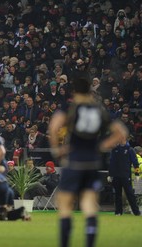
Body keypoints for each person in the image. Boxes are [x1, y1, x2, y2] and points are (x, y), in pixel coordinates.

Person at [49, 77, 128, 247]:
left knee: (64, 205)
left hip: (74, 162)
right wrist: (101, 147)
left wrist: (57, 149)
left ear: (74, 92)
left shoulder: (71, 107)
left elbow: (54, 127)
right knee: (89, 206)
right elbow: (121, 132)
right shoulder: (98, 109)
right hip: (92, 163)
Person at [108, 137, 140, 216]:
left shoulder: (130, 149)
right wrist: (110, 174)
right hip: (116, 176)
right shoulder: (114, 149)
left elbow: (135, 162)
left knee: (130, 194)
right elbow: (111, 162)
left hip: (126, 176)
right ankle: (118, 212)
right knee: (117, 195)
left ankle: (136, 212)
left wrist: (137, 174)